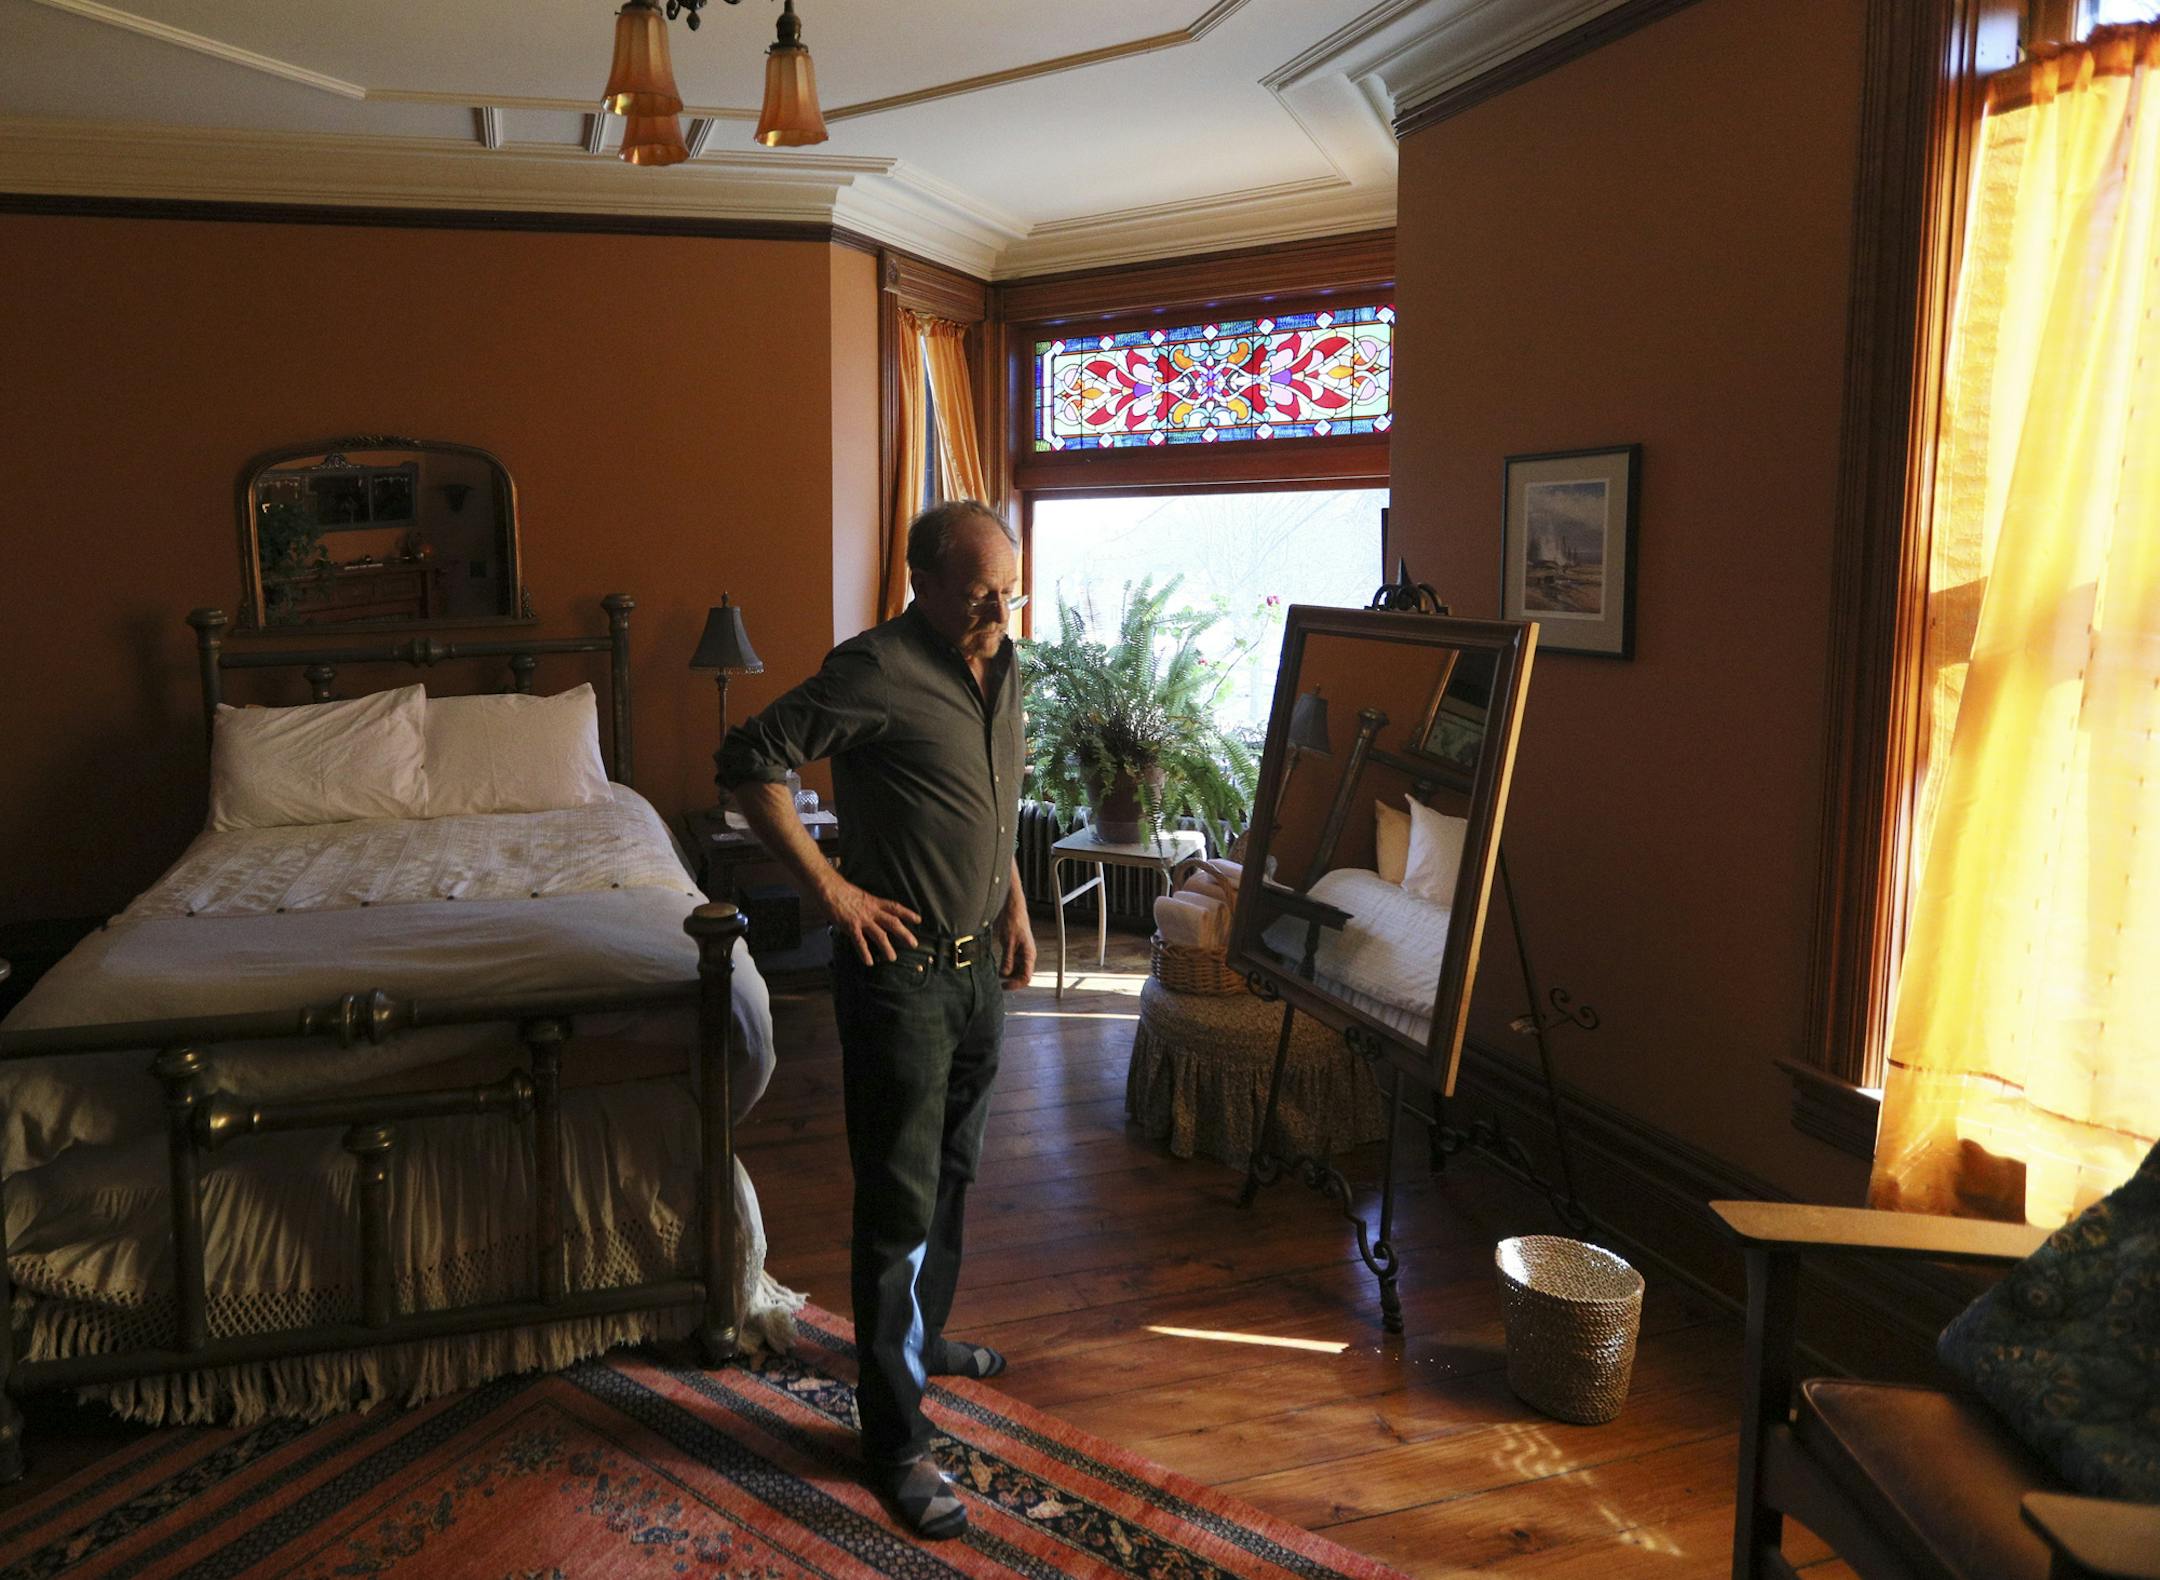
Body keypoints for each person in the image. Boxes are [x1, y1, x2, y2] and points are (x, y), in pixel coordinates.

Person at [716, 499, 1036, 1540]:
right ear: (924, 581)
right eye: (982, 588)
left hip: (978, 968)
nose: (1003, 602)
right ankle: (893, 1437)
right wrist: (830, 889)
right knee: (898, 1202)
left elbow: (996, 793)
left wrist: (1015, 905)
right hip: (899, 979)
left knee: (953, 1171)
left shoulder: (1004, 660)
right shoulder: (874, 668)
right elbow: (751, 757)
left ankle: (921, 1337)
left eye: (1010, 582)